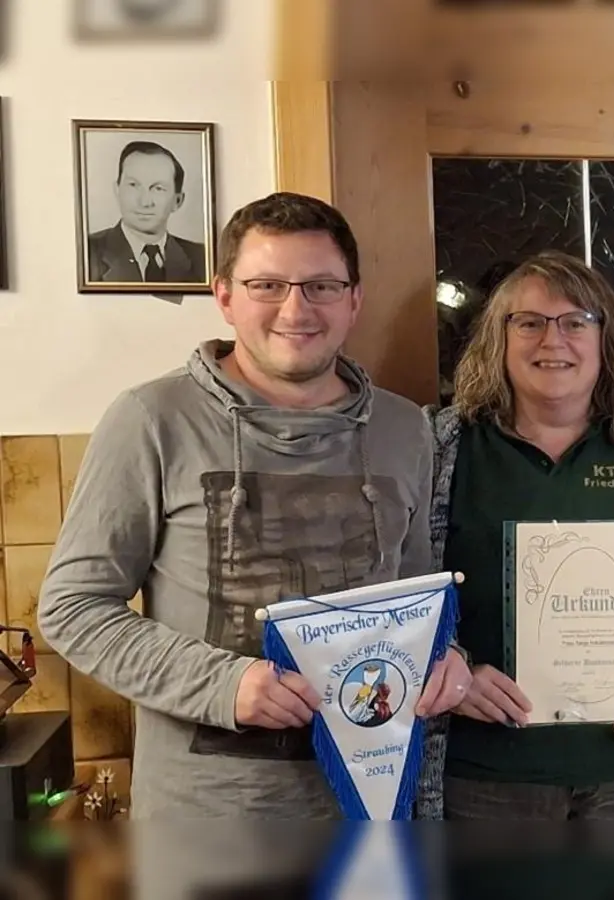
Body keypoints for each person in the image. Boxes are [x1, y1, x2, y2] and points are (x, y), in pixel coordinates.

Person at [38, 191, 472, 818]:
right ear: (224, 296)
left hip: (368, 811)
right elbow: (74, 608)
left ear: (354, 299)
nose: (295, 309)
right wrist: (225, 684)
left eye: (321, 286)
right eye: (267, 284)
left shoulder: (405, 430)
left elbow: (412, 597)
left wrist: (446, 657)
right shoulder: (150, 420)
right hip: (206, 827)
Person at [414, 249, 614, 821]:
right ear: (498, 337)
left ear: (604, 339)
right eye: (530, 322)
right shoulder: (440, 445)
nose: (553, 340)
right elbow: (391, 596)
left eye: (575, 322)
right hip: (486, 780)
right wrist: (452, 665)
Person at [86, 140, 207, 284]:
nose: (145, 202)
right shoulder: (87, 252)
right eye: (133, 185)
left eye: (158, 188)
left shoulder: (203, 258)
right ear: (117, 190)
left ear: (178, 201)